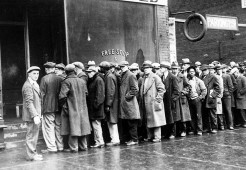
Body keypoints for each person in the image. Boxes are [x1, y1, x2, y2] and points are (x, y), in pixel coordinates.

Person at [59, 64, 91, 152]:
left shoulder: (66, 82)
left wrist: (65, 108)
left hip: (72, 108)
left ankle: (74, 147)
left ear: (66, 72)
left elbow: (62, 97)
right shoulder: (81, 81)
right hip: (82, 108)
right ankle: (83, 146)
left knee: (72, 128)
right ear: (74, 71)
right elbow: (86, 93)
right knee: (82, 127)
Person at [139, 61, 166, 142]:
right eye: (144, 68)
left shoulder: (155, 77)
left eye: (147, 68)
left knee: (156, 120)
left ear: (151, 69)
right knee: (148, 119)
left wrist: (157, 100)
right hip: (146, 102)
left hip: (153, 102)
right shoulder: (143, 78)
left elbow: (162, 89)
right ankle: (150, 136)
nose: (146, 70)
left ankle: (157, 137)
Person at [40, 62, 64, 153]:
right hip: (59, 107)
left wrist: (41, 109)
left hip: (48, 107)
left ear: (46, 69)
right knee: (58, 127)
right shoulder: (60, 78)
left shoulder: (44, 79)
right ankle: (60, 146)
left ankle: (52, 147)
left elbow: (42, 95)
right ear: (54, 69)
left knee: (49, 127)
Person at [22, 66, 43, 161]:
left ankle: (33, 153)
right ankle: (31, 155)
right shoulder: (28, 86)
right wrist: (35, 115)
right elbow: (29, 102)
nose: (36, 75)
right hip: (32, 115)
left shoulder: (34, 84)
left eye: (37, 73)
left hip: (35, 114)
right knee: (31, 135)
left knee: (34, 135)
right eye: (34, 73)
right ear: (29, 74)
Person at [119, 61, 140, 146]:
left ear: (127, 67)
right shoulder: (124, 75)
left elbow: (135, 89)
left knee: (132, 122)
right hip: (127, 103)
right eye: (121, 67)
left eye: (123, 66)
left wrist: (127, 97)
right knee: (129, 122)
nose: (121, 68)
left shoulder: (131, 75)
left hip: (130, 103)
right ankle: (132, 139)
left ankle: (134, 139)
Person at [99, 61, 120, 146]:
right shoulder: (110, 75)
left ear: (104, 68)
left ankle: (115, 140)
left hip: (111, 103)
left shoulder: (109, 77)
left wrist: (108, 104)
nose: (100, 69)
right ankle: (114, 139)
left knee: (112, 121)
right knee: (111, 121)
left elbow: (110, 92)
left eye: (101, 68)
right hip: (112, 102)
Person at [86, 66, 106, 148]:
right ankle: (98, 141)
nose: (88, 73)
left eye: (90, 72)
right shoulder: (96, 79)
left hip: (96, 108)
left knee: (96, 125)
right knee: (96, 125)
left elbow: (100, 95)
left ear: (94, 72)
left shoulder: (98, 80)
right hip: (95, 107)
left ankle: (99, 141)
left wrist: (95, 105)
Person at [159, 61, 180, 139]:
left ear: (166, 68)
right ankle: (167, 132)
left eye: (162, 67)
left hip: (170, 101)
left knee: (172, 117)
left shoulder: (172, 77)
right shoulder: (162, 77)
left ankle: (172, 133)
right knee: (167, 117)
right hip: (164, 101)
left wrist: (173, 99)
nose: (160, 69)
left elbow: (177, 91)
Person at [171, 62, 191, 137]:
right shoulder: (171, 77)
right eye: (173, 69)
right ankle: (174, 132)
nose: (174, 70)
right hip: (174, 98)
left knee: (183, 116)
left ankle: (183, 130)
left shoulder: (182, 77)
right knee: (175, 115)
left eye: (176, 69)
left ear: (178, 69)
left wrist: (183, 92)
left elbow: (188, 86)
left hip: (182, 99)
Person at [187, 66, 207, 135]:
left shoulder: (199, 81)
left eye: (192, 72)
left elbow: (204, 90)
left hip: (197, 99)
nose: (191, 73)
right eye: (190, 72)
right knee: (192, 115)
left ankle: (199, 130)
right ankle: (194, 128)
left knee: (198, 115)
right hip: (190, 100)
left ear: (195, 72)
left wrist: (200, 97)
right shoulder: (187, 80)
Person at [201, 64, 221, 134]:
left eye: (205, 70)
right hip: (204, 99)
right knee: (205, 114)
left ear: (208, 70)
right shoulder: (201, 77)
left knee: (213, 114)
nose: (204, 72)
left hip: (210, 99)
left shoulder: (213, 77)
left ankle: (214, 128)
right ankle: (207, 128)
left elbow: (218, 89)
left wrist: (212, 95)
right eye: (202, 70)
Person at [220, 64, 234, 130]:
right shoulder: (218, 76)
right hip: (220, 95)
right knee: (222, 111)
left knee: (228, 110)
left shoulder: (227, 76)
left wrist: (228, 93)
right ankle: (224, 125)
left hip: (226, 95)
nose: (222, 70)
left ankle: (230, 125)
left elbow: (231, 86)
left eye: (223, 69)